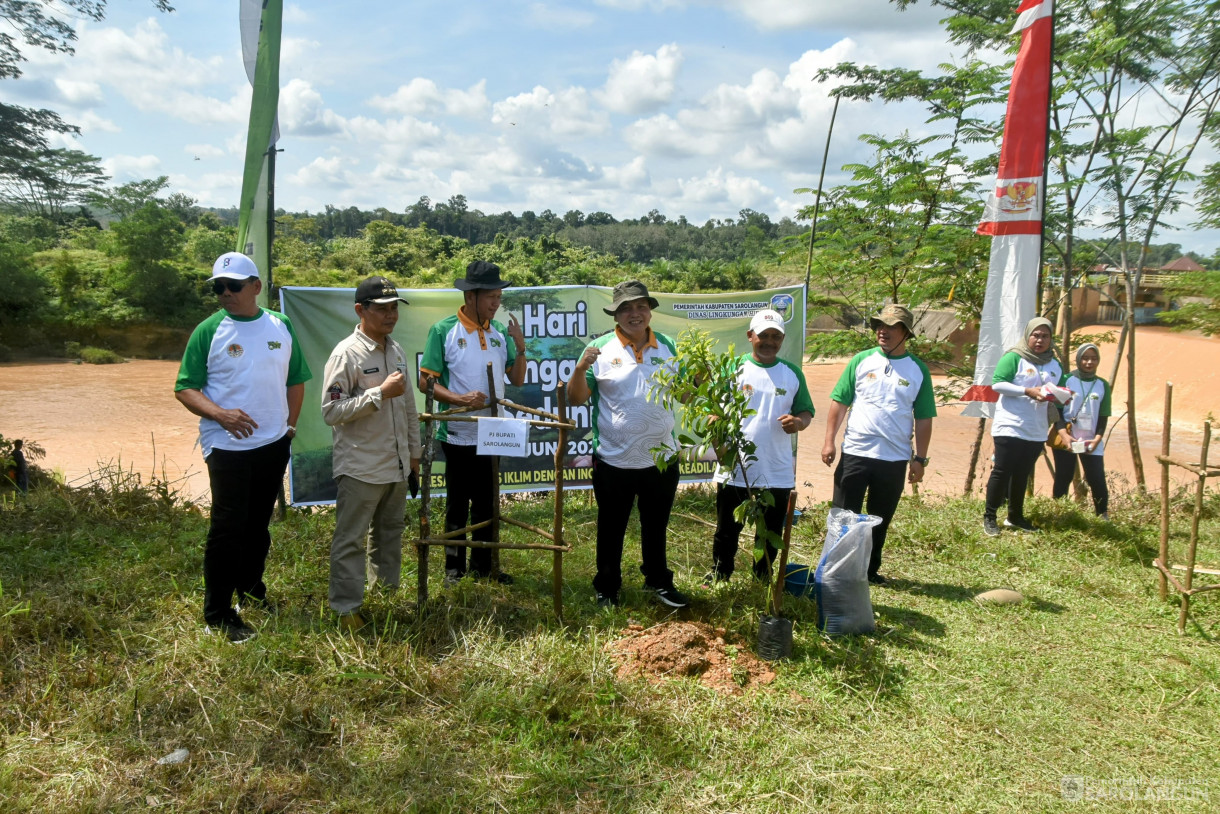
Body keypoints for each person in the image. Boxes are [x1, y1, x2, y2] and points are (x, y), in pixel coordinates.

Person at [175, 252, 311, 643]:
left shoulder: (280, 324)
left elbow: (296, 379)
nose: (225, 293)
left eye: (233, 286)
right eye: (218, 287)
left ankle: (252, 592)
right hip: (227, 445)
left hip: (273, 442)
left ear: (255, 287)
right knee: (227, 527)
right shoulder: (209, 330)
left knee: (257, 525)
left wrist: (289, 427)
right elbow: (185, 387)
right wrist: (221, 415)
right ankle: (218, 613)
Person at [567, 280, 690, 609]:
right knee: (611, 527)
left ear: (649, 310)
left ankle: (658, 582)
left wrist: (699, 381)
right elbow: (576, 397)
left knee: (656, 526)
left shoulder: (667, 346)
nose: (635, 314)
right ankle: (607, 586)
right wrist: (581, 368)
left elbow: (684, 394)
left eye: (640, 306)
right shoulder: (599, 349)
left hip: (661, 458)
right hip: (613, 459)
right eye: (626, 308)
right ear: (616, 314)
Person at [321, 276, 422, 630]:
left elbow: (408, 406)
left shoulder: (396, 351)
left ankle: (387, 595)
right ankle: (346, 608)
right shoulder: (345, 353)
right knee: (351, 540)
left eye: (394, 308)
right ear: (360, 310)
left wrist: (413, 454)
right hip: (361, 466)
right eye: (382, 309)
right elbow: (331, 412)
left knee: (389, 533)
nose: (390, 315)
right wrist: (378, 393)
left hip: (395, 465)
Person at [418, 261, 526, 584]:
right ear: (470, 296)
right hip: (458, 433)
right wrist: (460, 400)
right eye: (490, 296)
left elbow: (517, 378)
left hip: (493, 432)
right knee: (457, 502)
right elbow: (426, 381)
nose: (496, 302)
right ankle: (454, 569)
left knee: (488, 501)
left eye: (498, 296)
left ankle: (484, 567)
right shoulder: (444, 331)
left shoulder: (499, 334)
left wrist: (520, 347)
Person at [820, 305, 936, 585]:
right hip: (855, 453)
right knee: (843, 515)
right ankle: (835, 568)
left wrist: (920, 459)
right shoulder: (860, 360)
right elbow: (840, 402)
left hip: (893, 459)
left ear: (906, 332)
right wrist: (829, 442)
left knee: (879, 519)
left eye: (890, 326)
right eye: (878, 325)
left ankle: (868, 571)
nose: (882, 331)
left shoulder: (918, 370)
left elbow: (923, 418)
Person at [706, 308, 814, 585]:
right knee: (728, 528)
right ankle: (721, 574)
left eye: (775, 336)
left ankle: (762, 576)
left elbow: (805, 412)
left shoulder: (792, 374)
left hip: (776, 469)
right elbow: (712, 413)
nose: (769, 341)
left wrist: (798, 423)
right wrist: (721, 448)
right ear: (750, 336)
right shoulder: (731, 370)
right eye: (763, 335)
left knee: (771, 528)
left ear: (782, 339)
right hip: (736, 467)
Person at [982, 316, 1066, 537]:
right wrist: (1027, 391)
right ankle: (990, 517)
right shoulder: (1014, 357)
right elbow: (998, 383)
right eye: (1035, 335)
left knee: (1022, 473)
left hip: (1037, 428)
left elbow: (1060, 389)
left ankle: (1015, 516)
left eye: (1045, 336)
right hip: (1011, 425)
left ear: (1050, 339)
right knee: (1002, 470)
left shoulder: (1055, 364)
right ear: (1027, 336)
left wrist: (1063, 397)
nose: (1040, 340)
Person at [1052, 343, 1111, 520]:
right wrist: (1063, 434)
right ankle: (1058, 513)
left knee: (1097, 479)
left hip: (1091, 441)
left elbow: (1103, 415)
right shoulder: (1066, 380)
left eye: (1093, 358)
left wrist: (1097, 440)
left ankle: (1102, 516)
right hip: (1067, 437)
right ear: (1078, 359)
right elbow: (1057, 410)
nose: (1089, 362)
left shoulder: (1102, 385)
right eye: (1085, 358)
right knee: (1064, 476)